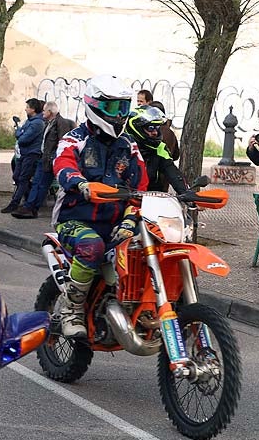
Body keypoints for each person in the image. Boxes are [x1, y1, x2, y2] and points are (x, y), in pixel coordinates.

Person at [53, 74, 147, 338]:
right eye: (113, 107)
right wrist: (79, 182)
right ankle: (72, 309)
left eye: (123, 107)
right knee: (91, 245)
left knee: (150, 246)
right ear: (94, 105)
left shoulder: (129, 145)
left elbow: (138, 186)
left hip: (116, 221)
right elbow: (62, 164)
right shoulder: (74, 139)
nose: (119, 115)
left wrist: (131, 218)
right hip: (76, 220)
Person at [12, 101, 74, 218]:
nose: (42, 112)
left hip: (50, 159)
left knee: (42, 184)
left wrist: (54, 157)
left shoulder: (60, 123)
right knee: (37, 183)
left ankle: (32, 208)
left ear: (50, 112)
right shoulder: (48, 122)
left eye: (44, 110)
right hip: (44, 157)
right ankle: (28, 206)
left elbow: (63, 142)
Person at [125, 105, 188, 194]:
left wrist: (186, 193)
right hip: (124, 199)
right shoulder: (124, 147)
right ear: (136, 128)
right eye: (150, 128)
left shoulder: (160, 148)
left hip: (152, 200)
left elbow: (172, 171)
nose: (155, 132)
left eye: (157, 128)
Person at [2, 98, 45, 215]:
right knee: (17, 176)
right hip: (23, 154)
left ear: (33, 109)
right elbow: (19, 133)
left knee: (23, 178)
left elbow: (23, 138)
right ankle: (27, 196)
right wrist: (20, 133)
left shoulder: (37, 123)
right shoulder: (29, 121)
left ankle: (15, 203)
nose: (25, 109)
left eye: (27, 107)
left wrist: (20, 134)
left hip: (31, 154)